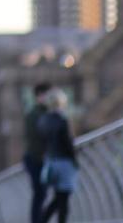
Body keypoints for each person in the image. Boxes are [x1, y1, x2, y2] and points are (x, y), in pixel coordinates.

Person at [38, 89, 78, 223]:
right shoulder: (62, 119)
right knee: (63, 200)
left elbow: (42, 142)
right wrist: (74, 160)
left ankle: (42, 219)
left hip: (51, 162)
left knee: (58, 197)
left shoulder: (43, 120)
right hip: (64, 162)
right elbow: (67, 143)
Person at [23, 82, 52, 222]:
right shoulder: (34, 114)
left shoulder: (47, 112)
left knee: (43, 193)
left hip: (42, 159)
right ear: (39, 96)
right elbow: (37, 137)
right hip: (36, 159)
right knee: (40, 193)